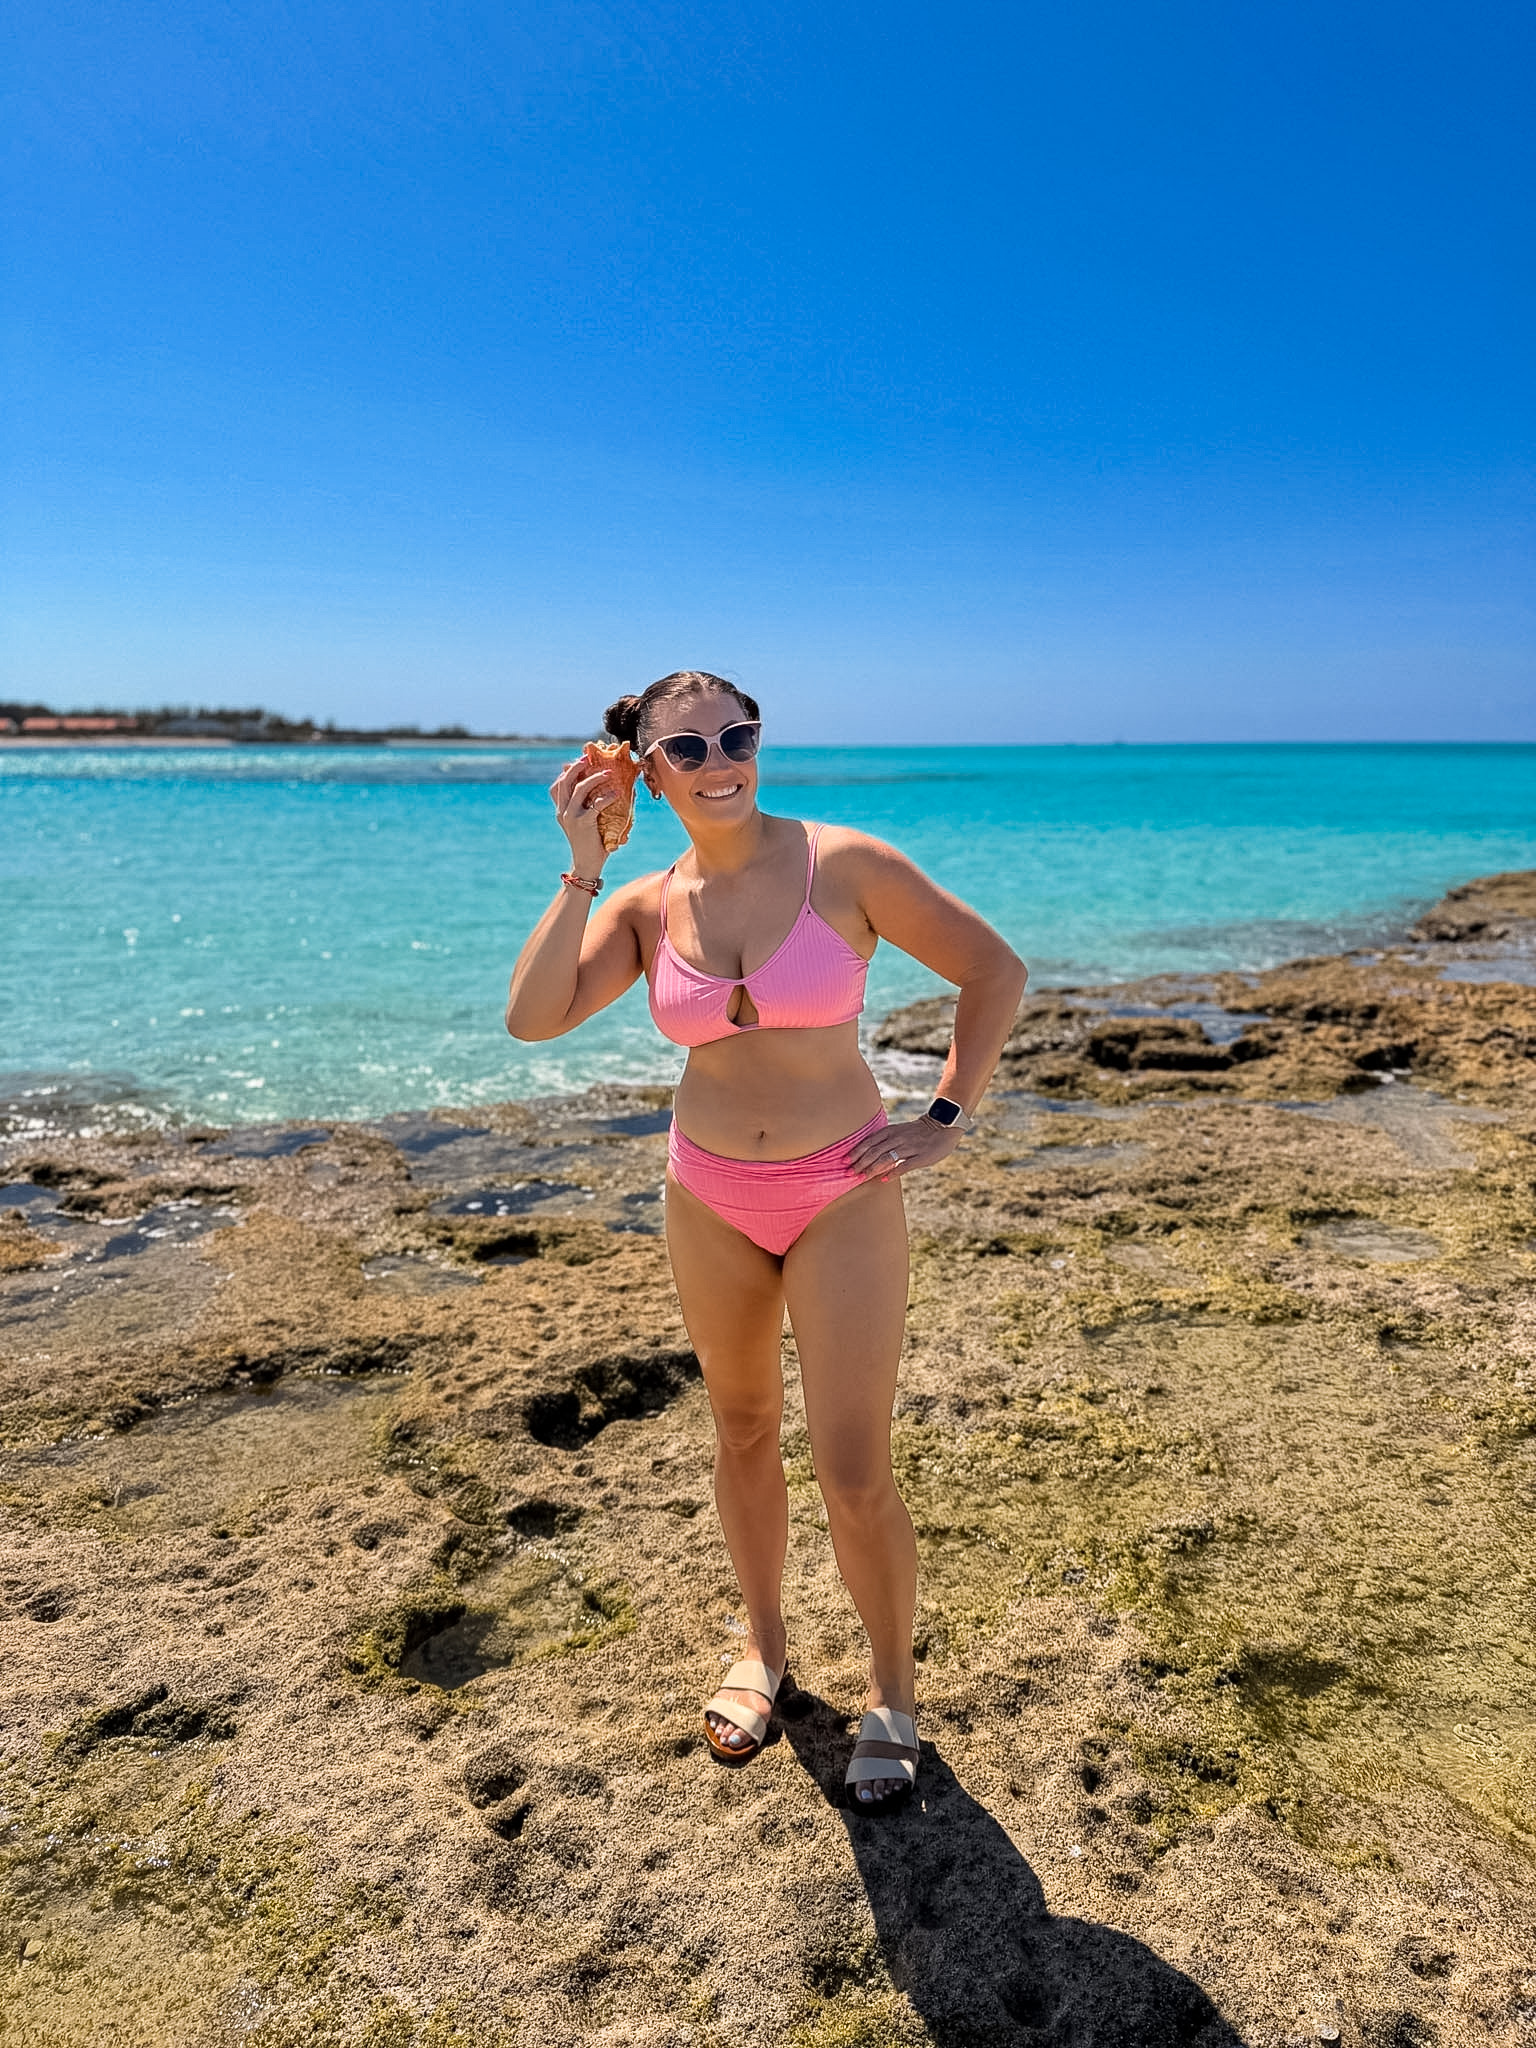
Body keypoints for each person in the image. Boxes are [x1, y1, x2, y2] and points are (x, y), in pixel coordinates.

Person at [506, 672, 1027, 1812]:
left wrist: (944, 1115)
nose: (721, 759)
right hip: (707, 1194)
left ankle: (892, 1692)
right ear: (643, 765)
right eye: (686, 747)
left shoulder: (846, 864)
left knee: (851, 1465)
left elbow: (995, 969)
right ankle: (765, 1647)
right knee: (741, 1428)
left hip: (840, 1187)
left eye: (738, 735)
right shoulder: (645, 903)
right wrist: (585, 859)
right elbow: (534, 1015)